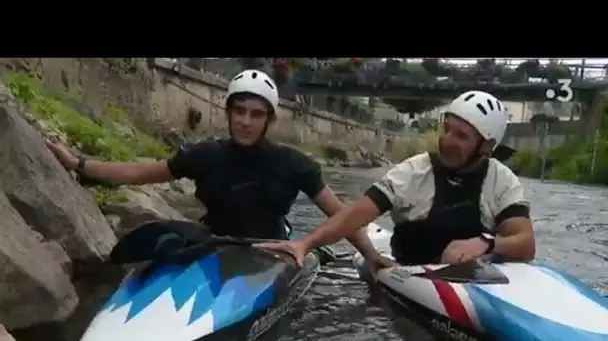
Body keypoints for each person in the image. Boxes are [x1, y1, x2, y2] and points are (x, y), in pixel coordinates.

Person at [45, 69, 379, 257]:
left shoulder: (295, 164)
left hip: (271, 251)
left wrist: (374, 259)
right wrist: (79, 164)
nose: (246, 121)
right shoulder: (204, 155)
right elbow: (138, 172)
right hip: (211, 246)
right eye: (239, 111)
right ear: (229, 113)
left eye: (256, 114)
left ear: (269, 121)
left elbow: (342, 216)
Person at [256, 90, 536, 274]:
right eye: (446, 129)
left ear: (486, 145)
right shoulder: (414, 171)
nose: (447, 141)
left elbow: (525, 244)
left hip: (474, 278)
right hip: (413, 271)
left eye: (462, 136)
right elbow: (354, 215)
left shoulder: (502, 179)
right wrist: (304, 244)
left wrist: (487, 244)